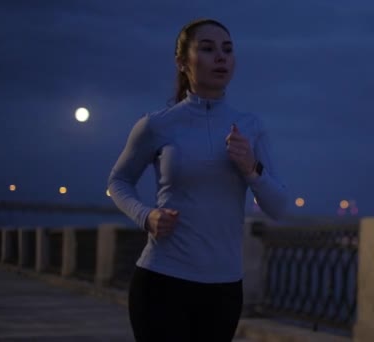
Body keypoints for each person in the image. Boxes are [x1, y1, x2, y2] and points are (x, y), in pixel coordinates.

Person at [107, 17, 288, 342]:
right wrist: (146, 216)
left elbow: (279, 207)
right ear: (182, 62)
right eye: (207, 49)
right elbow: (118, 182)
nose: (220, 57)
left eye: (227, 50)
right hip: (162, 280)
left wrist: (251, 168)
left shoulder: (250, 126)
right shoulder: (156, 125)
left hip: (223, 289)